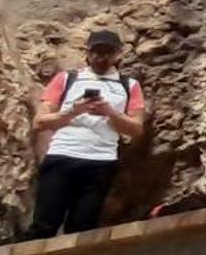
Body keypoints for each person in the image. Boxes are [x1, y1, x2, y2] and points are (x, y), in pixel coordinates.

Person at [26, 29, 147, 238]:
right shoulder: (67, 79)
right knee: (44, 223)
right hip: (62, 155)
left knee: (82, 227)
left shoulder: (129, 86)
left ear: (118, 54)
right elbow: (39, 122)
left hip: (101, 162)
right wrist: (74, 111)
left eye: (107, 52)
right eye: (96, 52)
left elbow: (136, 129)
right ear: (87, 52)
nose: (101, 57)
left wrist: (109, 112)